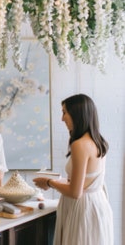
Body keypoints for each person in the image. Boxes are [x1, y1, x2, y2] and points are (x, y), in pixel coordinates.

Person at [33, 94, 114, 245]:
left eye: (64, 112)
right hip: (96, 206)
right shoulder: (99, 141)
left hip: (83, 210)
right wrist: (59, 181)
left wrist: (49, 182)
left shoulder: (80, 145)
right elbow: (85, 182)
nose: (62, 118)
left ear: (77, 114)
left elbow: (75, 192)